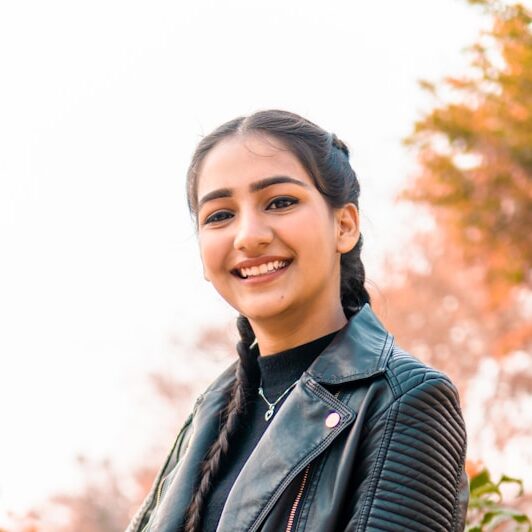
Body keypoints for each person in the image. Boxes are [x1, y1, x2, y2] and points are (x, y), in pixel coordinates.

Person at [127, 110, 469, 532]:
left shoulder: (405, 399)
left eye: (280, 202)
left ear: (344, 226)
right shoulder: (210, 412)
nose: (248, 235)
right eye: (219, 215)